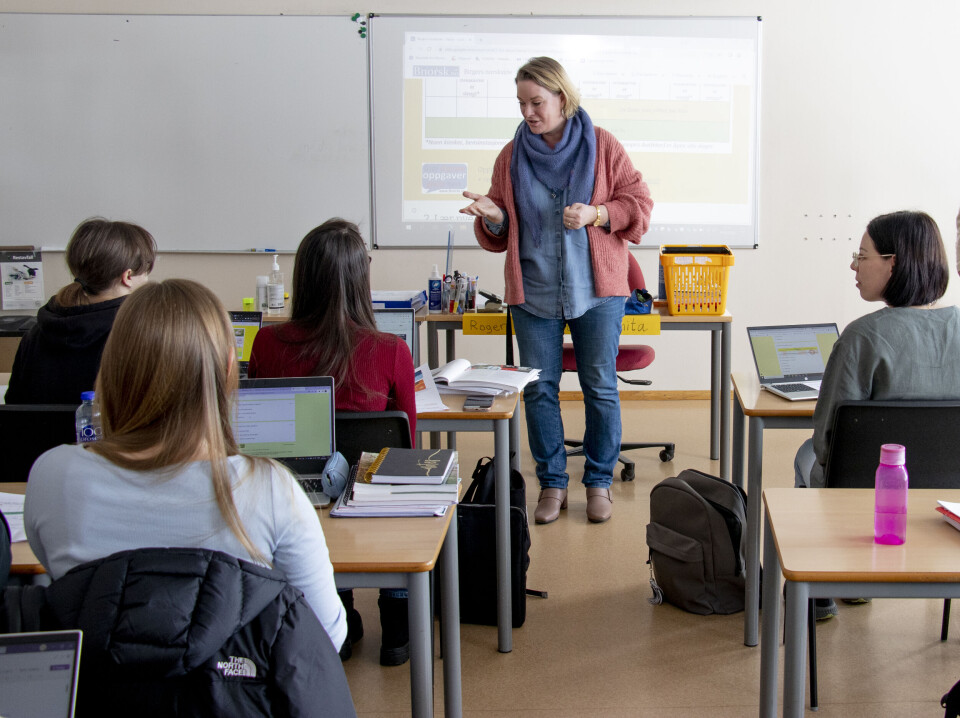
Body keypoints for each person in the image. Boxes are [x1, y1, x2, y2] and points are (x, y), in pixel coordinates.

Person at [24, 279, 348, 652]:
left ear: (112, 365)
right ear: (229, 366)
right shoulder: (271, 488)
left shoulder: (53, 475)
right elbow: (328, 635)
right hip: (231, 698)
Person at [460, 56, 653, 525]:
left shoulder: (602, 144)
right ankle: (551, 484)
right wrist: (494, 216)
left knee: (600, 387)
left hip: (598, 292)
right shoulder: (511, 156)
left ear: (562, 99)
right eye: (522, 103)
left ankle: (599, 482)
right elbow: (502, 228)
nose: (528, 111)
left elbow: (639, 202)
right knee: (540, 390)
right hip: (535, 292)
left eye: (537, 101)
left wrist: (598, 214)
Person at [248, 218, 416, 666]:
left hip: (289, 498)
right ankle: (397, 616)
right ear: (360, 279)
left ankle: (340, 608)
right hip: (371, 499)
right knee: (396, 484)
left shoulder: (265, 342)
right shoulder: (392, 350)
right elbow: (407, 448)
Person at [792, 211, 960, 620]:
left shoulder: (862, 337)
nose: (853, 264)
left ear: (894, 263)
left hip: (870, 501)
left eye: (861, 255)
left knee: (804, 457)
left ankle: (822, 592)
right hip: (949, 501)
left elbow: (829, 443)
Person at [5, 217, 156, 404]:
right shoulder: (140, 335)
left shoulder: (34, 334)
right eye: (146, 272)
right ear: (128, 276)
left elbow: (15, 407)